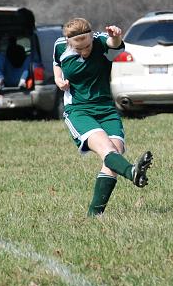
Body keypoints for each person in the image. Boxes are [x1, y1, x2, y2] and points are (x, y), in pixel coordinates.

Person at [53, 18, 153, 216]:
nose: (84, 51)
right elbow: (57, 63)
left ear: (91, 36)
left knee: (116, 152)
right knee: (107, 150)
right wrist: (58, 79)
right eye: (78, 49)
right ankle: (133, 172)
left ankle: (95, 214)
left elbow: (113, 44)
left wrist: (116, 36)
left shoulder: (101, 41)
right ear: (68, 42)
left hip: (106, 109)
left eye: (87, 45)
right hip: (79, 110)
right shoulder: (59, 45)